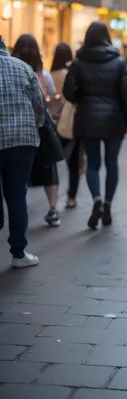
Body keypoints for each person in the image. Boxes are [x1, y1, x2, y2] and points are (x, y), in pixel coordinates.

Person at [63, 22, 127, 229]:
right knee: (111, 164)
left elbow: (69, 92)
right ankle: (108, 205)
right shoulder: (119, 62)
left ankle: (96, 199)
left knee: (92, 164)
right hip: (114, 121)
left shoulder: (78, 62)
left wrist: (81, 99)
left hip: (87, 119)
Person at [0, 34, 45, 267]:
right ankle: (19, 254)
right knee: (17, 196)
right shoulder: (23, 67)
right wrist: (35, 126)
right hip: (23, 141)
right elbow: (39, 104)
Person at [12, 34, 61, 227]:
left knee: (18, 171)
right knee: (49, 168)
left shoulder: (10, 68)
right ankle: (53, 209)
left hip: (16, 126)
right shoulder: (42, 73)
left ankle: (18, 206)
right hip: (41, 128)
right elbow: (47, 96)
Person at [51, 43, 83, 210]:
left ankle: (52, 200)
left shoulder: (50, 74)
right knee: (73, 162)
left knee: (52, 161)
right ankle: (71, 196)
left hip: (51, 123)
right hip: (68, 121)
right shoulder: (69, 74)